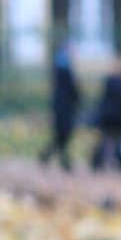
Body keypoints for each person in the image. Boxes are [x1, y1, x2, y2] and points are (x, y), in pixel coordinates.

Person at [39, 41, 81, 171]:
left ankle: (54, 158)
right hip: (64, 107)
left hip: (62, 106)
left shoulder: (62, 65)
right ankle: (61, 160)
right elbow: (71, 89)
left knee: (61, 135)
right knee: (63, 134)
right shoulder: (64, 67)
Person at [89, 55, 121, 170]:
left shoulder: (109, 82)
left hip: (108, 117)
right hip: (117, 118)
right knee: (115, 140)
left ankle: (101, 162)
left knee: (107, 141)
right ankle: (116, 162)